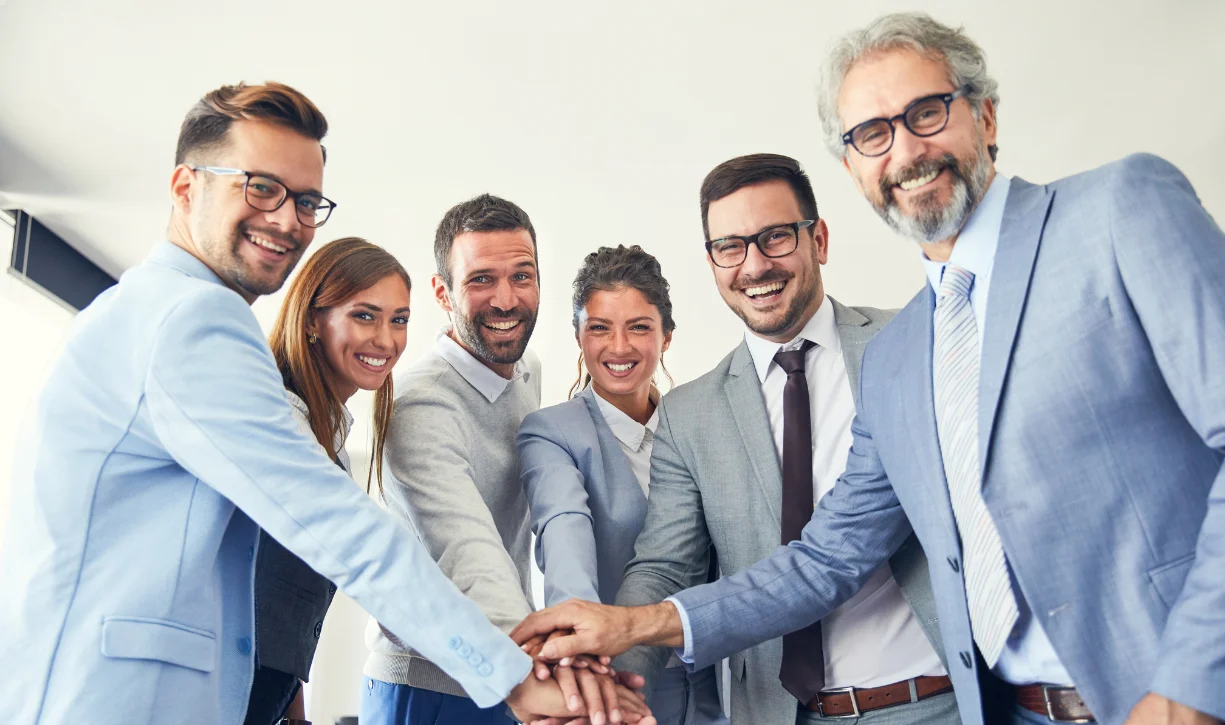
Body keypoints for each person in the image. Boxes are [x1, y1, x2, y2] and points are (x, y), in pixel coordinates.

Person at [511, 13, 1225, 725]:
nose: (905, 151)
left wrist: (1190, 682)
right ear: (852, 167)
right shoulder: (902, 354)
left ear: (985, 114)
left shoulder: (1115, 211)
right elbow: (825, 557)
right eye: (871, 134)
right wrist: (627, 629)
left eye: (926, 112)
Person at [0, 81, 601, 725]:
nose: (288, 219)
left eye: (308, 200)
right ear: (185, 188)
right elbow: (346, 530)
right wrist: (511, 674)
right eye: (260, 187)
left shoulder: (148, 309)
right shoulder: (194, 319)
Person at [605, 154, 952, 725]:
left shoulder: (911, 342)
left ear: (818, 238)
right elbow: (666, 569)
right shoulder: (688, 415)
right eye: (731, 247)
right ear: (713, 262)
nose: (755, 265)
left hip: (939, 703)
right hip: (782, 713)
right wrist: (610, 674)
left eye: (774, 237)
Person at [361, 197, 649, 725]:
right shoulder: (421, 405)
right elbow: (470, 554)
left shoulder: (523, 368)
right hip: (431, 687)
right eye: (481, 280)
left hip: (506, 663)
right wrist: (554, 672)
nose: (506, 299)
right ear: (442, 294)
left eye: (522, 275)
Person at [517, 245, 727, 725]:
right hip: (618, 684)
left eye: (638, 327)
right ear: (578, 335)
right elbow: (563, 534)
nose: (619, 347)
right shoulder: (553, 433)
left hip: (720, 684)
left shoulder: (700, 425)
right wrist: (581, 655)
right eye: (599, 328)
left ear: (666, 337)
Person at [243, 237, 411, 725]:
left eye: (398, 319)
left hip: (267, 698)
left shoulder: (329, 437)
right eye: (365, 315)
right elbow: (370, 556)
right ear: (314, 320)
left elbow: (277, 599)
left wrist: (294, 714)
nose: (386, 338)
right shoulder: (278, 420)